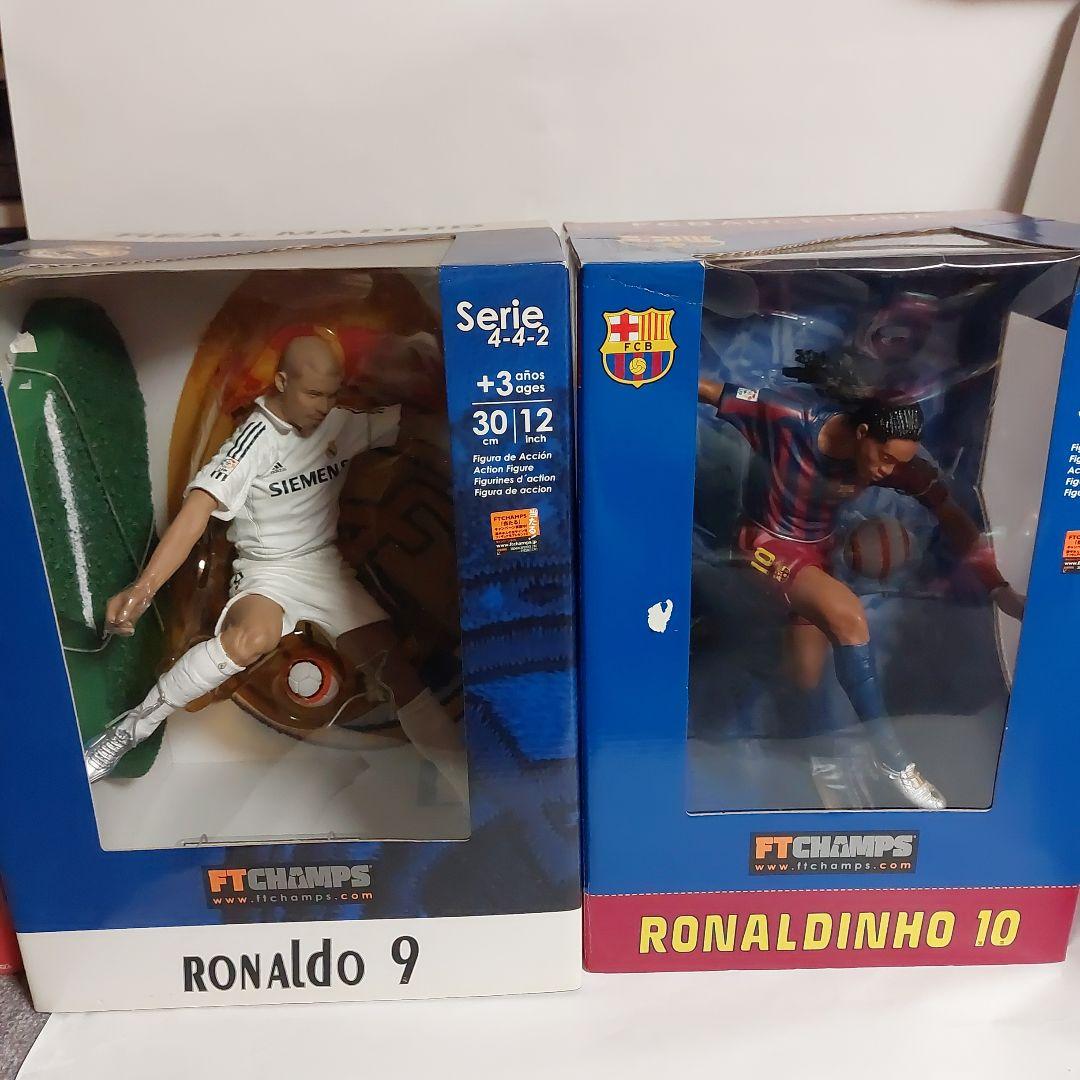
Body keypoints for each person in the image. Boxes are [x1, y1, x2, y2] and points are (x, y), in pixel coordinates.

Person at [83, 333, 467, 803]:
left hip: (326, 569)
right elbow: (196, 511)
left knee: (398, 674)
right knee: (251, 639)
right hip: (267, 571)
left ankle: (467, 782)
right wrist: (144, 589)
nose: (323, 406)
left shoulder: (339, 423)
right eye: (313, 393)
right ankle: (131, 729)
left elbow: (412, 423)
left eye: (331, 393)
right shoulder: (253, 442)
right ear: (282, 382)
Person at [697, 352, 1023, 810]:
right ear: (863, 433)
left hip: (817, 554)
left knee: (806, 677)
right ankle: (894, 761)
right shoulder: (785, 418)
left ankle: (820, 764)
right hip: (765, 543)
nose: (888, 471)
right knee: (848, 617)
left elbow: (951, 514)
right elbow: (705, 388)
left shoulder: (894, 462)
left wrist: (997, 587)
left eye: (897, 464)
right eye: (885, 459)